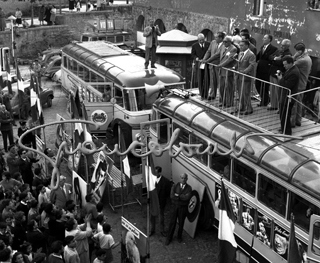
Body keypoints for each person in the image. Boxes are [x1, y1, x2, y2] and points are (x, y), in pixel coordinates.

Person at [165, 173, 192, 245]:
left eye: (185, 178)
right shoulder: (175, 186)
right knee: (172, 222)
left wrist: (178, 195)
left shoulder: (189, 188)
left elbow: (187, 198)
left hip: (183, 208)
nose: (183, 180)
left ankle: (179, 237)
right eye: (182, 178)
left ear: (187, 179)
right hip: (174, 207)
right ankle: (169, 238)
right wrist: (181, 196)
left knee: (181, 223)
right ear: (180, 178)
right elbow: (172, 196)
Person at [277, 55, 300, 135]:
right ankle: (283, 128)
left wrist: (280, 79)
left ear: (290, 63)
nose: (284, 66)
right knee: (283, 114)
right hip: (285, 96)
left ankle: (287, 132)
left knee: (285, 115)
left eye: (285, 64)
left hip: (288, 97)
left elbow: (287, 85)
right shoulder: (291, 69)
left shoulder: (294, 72)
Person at [291, 43, 312, 127]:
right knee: (299, 103)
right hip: (303, 83)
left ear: (300, 51)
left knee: (294, 104)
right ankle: (298, 120)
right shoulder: (308, 58)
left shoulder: (302, 60)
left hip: (298, 84)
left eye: (296, 51)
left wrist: (295, 56)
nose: (295, 52)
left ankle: (292, 122)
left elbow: (290, 63)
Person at [268, 39, 292, 111]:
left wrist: (274, 60)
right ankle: (273, 104)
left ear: (288, 46)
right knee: (272, 90)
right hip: (272, 72)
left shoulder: (288, 54)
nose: (281, 46)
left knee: (277, 91)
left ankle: (279, 107)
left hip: (278, 74)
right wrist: (275, 58)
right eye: (281, 45)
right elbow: (270, 57)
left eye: (283, 45)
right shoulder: (279, 50)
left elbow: (281, 63)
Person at [256, 34, 278, 106]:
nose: (263, 39)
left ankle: (264, 101)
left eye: (265, 38)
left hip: (266, 70)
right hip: (259, 69)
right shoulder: (262, 47)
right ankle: (265, 99)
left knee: (265, 86)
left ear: (269, 40)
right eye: (263, 38)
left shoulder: (273, 48)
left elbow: (272, 58)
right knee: (257, 84)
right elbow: (259, 56)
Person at [203, 32, 226, 100]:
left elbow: (217, 55)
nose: (215, 38)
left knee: (220, 82)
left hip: (219, 66)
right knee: (212, 80)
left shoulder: (224, 45)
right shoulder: (213, 42)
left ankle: (221, 97)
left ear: (221, 38)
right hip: (211, 65)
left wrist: (207, 60)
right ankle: (212, 94)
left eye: (216, 37)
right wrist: (204, 59)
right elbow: (208, 51)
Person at [235, 40, 256, 115]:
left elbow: (252, 65)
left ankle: (249, 108)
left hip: (246, 77)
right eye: (240, 45)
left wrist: (244, 71)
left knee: (246, 93)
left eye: (242, 45)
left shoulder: (251, 54)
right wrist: (234, 68)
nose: (240, 47)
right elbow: (238, 63)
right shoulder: (240, 53)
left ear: (247, 46)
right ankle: (242, 106)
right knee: (240, 92)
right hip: (239, 76)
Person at [216, 35, 237, 107]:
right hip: (222, 71)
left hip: (228, 71)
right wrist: (206, 60)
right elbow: (217, 55)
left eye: (225, 41)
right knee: (221, 87)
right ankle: (223, 101)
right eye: (223, 41)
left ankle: (229, 102)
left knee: (229, 87)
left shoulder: (233, 49)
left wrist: (220, 65)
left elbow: (229, 60)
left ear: (230, 42)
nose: (224, 43)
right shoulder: (222, 47)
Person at [150, 166, 171, 237]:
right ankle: (152, 230)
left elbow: (168, 193)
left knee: (161, 217)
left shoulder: (166, 182)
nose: (155, 174)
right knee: (152, 217)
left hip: (161, 202)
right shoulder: (151, 180)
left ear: (159, 172)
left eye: (156, 173)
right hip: (153, 202)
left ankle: (162, 230)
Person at [191, 33, 210, 99]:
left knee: (207, 79)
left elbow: (210, 53)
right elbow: (192, 54)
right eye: (200, 40)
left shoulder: (208, 44)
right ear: (198, 40)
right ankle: (201, 93)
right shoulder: (194, 45)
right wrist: (195, 58)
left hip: (206, 64)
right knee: (200, 79)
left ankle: (206, 93)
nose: (202, 41)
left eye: (203, 39)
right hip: (199, 64)